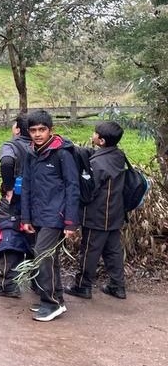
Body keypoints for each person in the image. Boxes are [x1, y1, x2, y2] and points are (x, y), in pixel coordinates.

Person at [21, 109, 79, 322]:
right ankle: (56, 299)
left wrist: (71, 222)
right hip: (38, 215)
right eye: (33, 130)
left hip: (57, 215)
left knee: (42, 254)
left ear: (50, 130)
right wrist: (25, 218)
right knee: (48, 257)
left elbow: (73, 187)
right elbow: (26, 186)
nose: (37, 134)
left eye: (42, 130)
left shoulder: (62, 153)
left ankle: (51, 302)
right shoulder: (30, 153)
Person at [66, 121, 128, 300]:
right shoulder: (118, 155)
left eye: (95, 134)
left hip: (97, 216)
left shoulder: (99, 164)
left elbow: (89, 190)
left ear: (100, 140)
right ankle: (118, 286)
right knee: (113, 251)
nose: (92, 135)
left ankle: (83, 286)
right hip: (115, 214)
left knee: (89, 251)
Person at [0, 113, 31, 298]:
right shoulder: (41, 146)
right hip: (38, 202)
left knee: (9, 237)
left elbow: (6, 162)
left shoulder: (11, 145)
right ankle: (39, 284)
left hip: (15, 202)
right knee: (34, 239)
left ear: (18, 129)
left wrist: (10, 187)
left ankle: (7, 285)